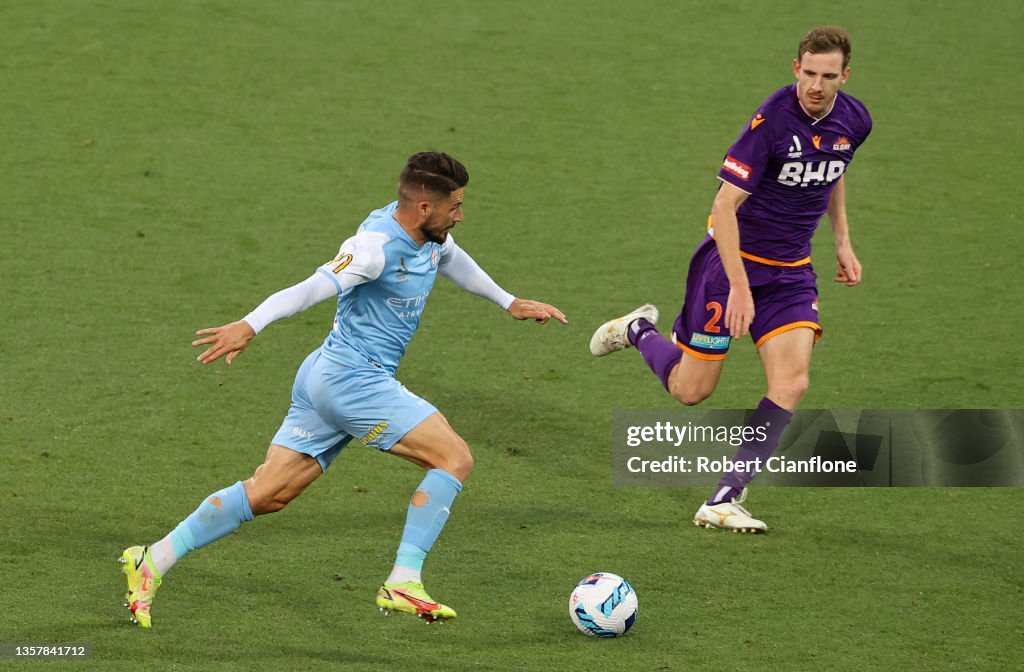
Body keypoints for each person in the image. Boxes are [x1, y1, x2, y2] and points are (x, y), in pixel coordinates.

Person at [120, 152, 567, 628]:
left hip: (325, 377)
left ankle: (152, 559)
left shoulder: (431, 235)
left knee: (269, 492)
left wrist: (507, 301)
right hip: (354, 380)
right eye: (454, 206)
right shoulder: (373, 247)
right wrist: (250, 324)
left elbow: (452, 258)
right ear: (422, 207)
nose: (459, 215)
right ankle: (403, 580)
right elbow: (310, 288)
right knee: (453, 458)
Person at [590, 26, 871, 533]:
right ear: (795, 69)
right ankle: (638, 331)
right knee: (691, 391)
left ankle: (724, 497)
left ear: (844, 77)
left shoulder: (854, 120)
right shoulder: (770, 124)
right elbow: (723, 207)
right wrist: (739, 286)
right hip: (728, 265)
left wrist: (843, 242)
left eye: (828, 76)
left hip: (790, 273)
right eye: (808, 73)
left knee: (793, 382)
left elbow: (834, 169)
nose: (816, 85)